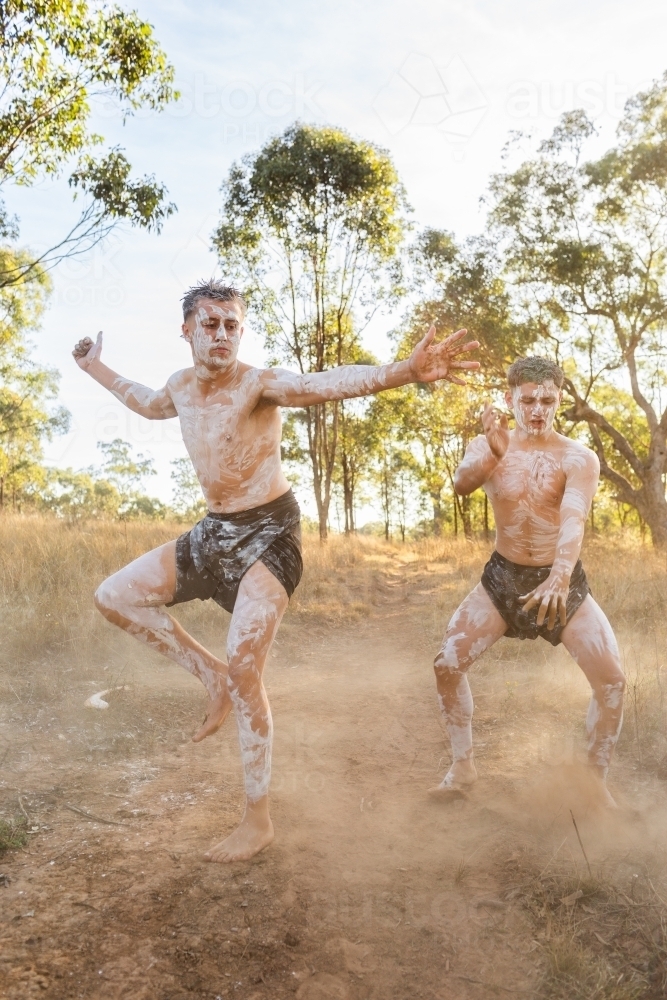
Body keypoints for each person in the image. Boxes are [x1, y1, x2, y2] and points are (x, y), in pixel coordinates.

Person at [73, 279, 479, 861]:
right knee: (114, 595)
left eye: (231, 324)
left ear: (241, 330)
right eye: (209, 324)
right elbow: (141, 399)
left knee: (246, 666)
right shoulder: (180, 388)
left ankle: (256, 819)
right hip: (213, 533)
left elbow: (322, 384)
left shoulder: (257, 383)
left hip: (269, 534)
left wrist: (403, 371)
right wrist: (94, 367)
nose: (221, 334)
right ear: (186, 330)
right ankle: (208, 675)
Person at [432, 356, 625, 807]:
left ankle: (594, 783)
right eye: (528, 400)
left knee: (613, 683)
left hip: (563, 581)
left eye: (548, 400)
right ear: (510, 399)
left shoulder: (580, 457)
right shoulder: (487, 446)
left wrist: (560, 578)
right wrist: (494, 455)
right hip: (504, 577)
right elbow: (461, 485)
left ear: (559, 400)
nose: (538, 409)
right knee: (446, 665)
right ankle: (463, 767)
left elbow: (574, 518)